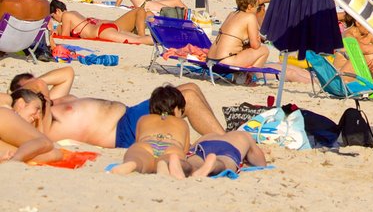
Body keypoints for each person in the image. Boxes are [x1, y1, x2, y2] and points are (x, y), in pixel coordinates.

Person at [13, 72, 225, 149]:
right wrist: (25, 92)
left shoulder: (53, 101)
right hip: (124, 131)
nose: (37, 85)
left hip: (128, 114)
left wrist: (38, 83)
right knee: (186, 98)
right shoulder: (41, 123)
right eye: (30, 87)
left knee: (190, 88)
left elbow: (67, 73)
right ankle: (226, 141)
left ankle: (220, 134)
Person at [110, 86, 190, 176]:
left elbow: (137, 141)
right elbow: (185, 150)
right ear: (176, 108)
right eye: (182, 110)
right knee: (179, 160)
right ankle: (163, 163)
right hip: (171, 145)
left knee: (139, 157)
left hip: (147, 143)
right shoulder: (182, 123)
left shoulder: (144, 119)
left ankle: (133, 164)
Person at [207, 0, 269, 69]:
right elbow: (255, 45)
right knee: (264, 50)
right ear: (250, 6)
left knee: (245, 48)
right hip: (225, 61)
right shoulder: (250, 17)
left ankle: (244, 77)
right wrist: (259, 40)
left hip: (210, 59)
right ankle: (249, 77)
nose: (257, 9)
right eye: (256, 6)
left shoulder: (231, 14)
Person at [49, 0, 153, 45]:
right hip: (105, 28)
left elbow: (65, 37)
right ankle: (162, 40)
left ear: (58, 11)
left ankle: (163, 42)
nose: (56, 20)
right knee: (137, 39)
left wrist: (54, 33)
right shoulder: (74, 13)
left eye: (54, 17)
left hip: (101, 31)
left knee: (138, 40)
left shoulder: (66, 16)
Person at [0, 90, 61, 164]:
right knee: (50, 149)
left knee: (53, 154)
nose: (38, 117)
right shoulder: (6, 108)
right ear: (21, 103)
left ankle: (14, 160)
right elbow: (45, 142)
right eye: (37, 108)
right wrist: (16, 159)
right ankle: (14, 161)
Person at [178, 129, 267, 178]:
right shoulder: (244, 135)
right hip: (229, 149)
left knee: (194, 161)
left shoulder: (210, 134)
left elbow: (191, 150)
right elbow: (261, 163)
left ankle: (185, 165)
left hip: (204, 145)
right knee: (223, 164)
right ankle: (214, 164)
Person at [340, 13, 373, 85]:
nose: (372, 27)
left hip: (359, 75)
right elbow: (365, 49)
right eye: (369, 24)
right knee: (369, 53)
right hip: (341, 78)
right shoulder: (348, 35)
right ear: (358, 23)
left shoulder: (368, 34)